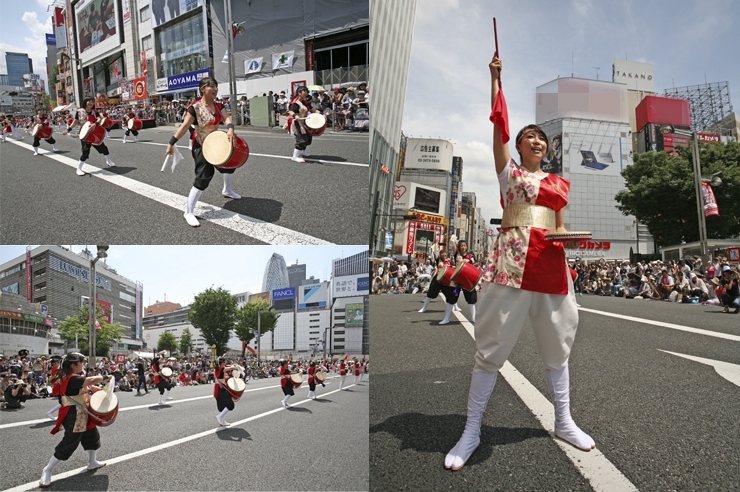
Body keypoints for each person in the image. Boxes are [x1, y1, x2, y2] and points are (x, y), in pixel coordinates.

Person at [444, 55, 594, 472]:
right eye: (530, 136)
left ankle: (563, 421)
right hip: (509, 267)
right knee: (490, 350)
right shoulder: (507, 172)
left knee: (557, 349)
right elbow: (499, 127)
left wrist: (572, 237)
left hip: (552, 269)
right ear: (521, 145)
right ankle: (471, 429)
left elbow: (559, 227)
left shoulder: (560, 183)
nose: (536, 141)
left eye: (541, 138)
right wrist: (495, 80)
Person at [165, 77, 242, 227]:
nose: (215, 89)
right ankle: (188, 211)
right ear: (202, 89)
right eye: (211, 86)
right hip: (201, 145)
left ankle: (227, 190)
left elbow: (227, 119)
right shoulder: (195, 108)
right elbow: (184, 127)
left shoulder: (219, 105)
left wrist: (230, 129)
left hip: (217, 142)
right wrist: (171, 143)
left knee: (229, 164)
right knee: (204, 177)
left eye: (216, 86)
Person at [39, 353, 111, 488]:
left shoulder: (73, 378)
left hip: (83, 412)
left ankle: (92, 462)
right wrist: (106, 377)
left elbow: (88, 387)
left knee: (91, 436)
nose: (82, 366)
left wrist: (102, 390)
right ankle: (47, 469)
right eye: (81, 363)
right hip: (73, 414)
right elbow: (89, 381)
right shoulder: (71, 378)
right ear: (73, 365)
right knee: (70, 442)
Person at [64, 97, 115, 176]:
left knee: (103, 148)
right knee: (85, 151)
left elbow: (98, 119)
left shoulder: (95, 112)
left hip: (94, 132)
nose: (91, 103)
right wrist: (68, 130)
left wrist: (95, 124)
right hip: (84, 133)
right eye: (89, 101)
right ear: (85, 102)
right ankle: (79, 168)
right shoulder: (79, 111)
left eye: (92, 102)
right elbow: (75, 122)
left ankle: (108, 160)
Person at [440, 240, 479, 324]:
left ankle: (474, 318)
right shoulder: (456, 254)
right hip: (456, 280)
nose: (463, 247)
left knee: (471, 299)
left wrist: (467, 260)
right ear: (458, 247)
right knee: (451, 299)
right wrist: (453, 240)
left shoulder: (470, 255)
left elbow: (474, 262)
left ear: (467, 246)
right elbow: (453, 246)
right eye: (461, 246)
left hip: (467, 279)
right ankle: (446, 318)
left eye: (464, 245)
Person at [287, 86, 321, 163]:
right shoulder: (295, 103)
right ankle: (295, 156)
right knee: (301, 139)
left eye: (307, 91)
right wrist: (296, 116)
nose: (306, 93)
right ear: (299, 93)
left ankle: (302, 151)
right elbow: (290, 111)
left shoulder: (305, 102)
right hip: (297, 123)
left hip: (305, 122)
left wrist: (319, 113)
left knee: (308, 138)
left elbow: (312, 109)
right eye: (304, 91)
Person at [214, 357, 236, 426]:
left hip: (218, 388)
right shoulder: (221, 369)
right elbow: (228, 368)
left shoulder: (217, 369)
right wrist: (234, 367)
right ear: (222, 363)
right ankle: (219, 417)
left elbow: (227, 367)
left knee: (223, 406)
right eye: (224, 362)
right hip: (220, 389)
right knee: (230, 404)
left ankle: (222, 421)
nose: (225, 363)